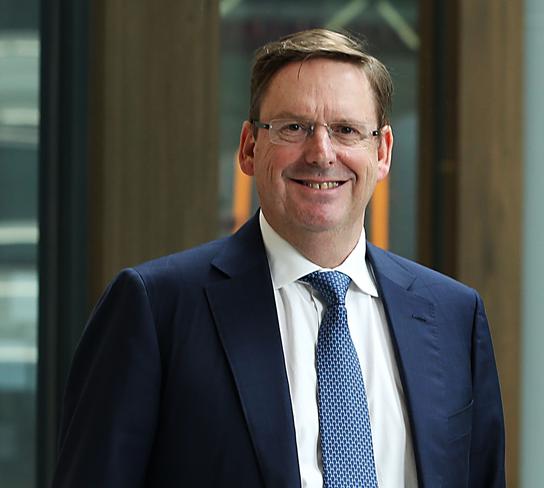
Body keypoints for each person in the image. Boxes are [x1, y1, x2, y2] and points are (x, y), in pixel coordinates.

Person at [53, 29, 505, 487]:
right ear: (250, 148)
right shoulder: (155, 308)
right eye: (294, 127)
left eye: (346, 130)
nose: (322, 153)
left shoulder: (452, 316)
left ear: (382, 152)